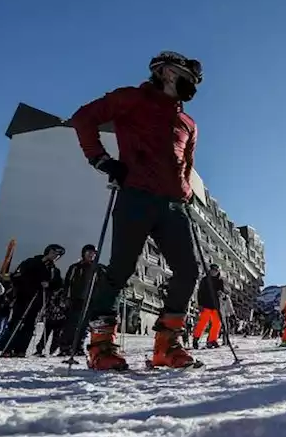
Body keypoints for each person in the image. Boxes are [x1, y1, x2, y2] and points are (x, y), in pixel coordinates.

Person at [70, 50, 205, 370]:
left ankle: (166, 345)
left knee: (189, 271)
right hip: (136, 196)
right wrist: (101, 160)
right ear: (168, 73)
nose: (193, 87)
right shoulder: (131, 98)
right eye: (189, 78)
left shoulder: (188, 122)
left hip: (173, 205)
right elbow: (83, 118)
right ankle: (101, 347)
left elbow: (186, 165)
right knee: (120, 269)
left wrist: (186, 193)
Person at [3, 244, 65, 356]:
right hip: (24, 297)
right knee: (17, 322)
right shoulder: (31, 262)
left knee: (30, 325)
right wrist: (35, 282)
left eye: (58, 255)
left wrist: (49, 284)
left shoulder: (54, 270)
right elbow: (17, 276)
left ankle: (21, 350)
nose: (55, 256)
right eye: (54, 253)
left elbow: (58, 285)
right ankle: (7, 348)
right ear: (47, 251)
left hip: (38, 300)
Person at [61, 245, 106, 355]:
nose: (91, 255)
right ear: (84, 253)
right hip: (76, 299)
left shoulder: (99, 269)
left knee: (84, 326)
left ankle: (78, 347)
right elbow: (68, 284)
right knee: (72, 324)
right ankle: (65, 347)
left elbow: (104, 283)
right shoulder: (76, 267)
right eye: (89, 252)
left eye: (93, 253)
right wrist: (67, 297)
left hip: (90, 300)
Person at [192, 264, 226, 350]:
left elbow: (222, 291)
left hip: (215, 305)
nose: (214, 272)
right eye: (212, 270)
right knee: (203, 323)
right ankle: (196, 339)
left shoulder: (220, 281)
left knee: (217, 323)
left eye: (216, 270)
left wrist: (221, 294)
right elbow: (200, 292)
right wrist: (200, 304)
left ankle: (212, 340)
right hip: (206, 304)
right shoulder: (205, 280)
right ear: (210, 270)